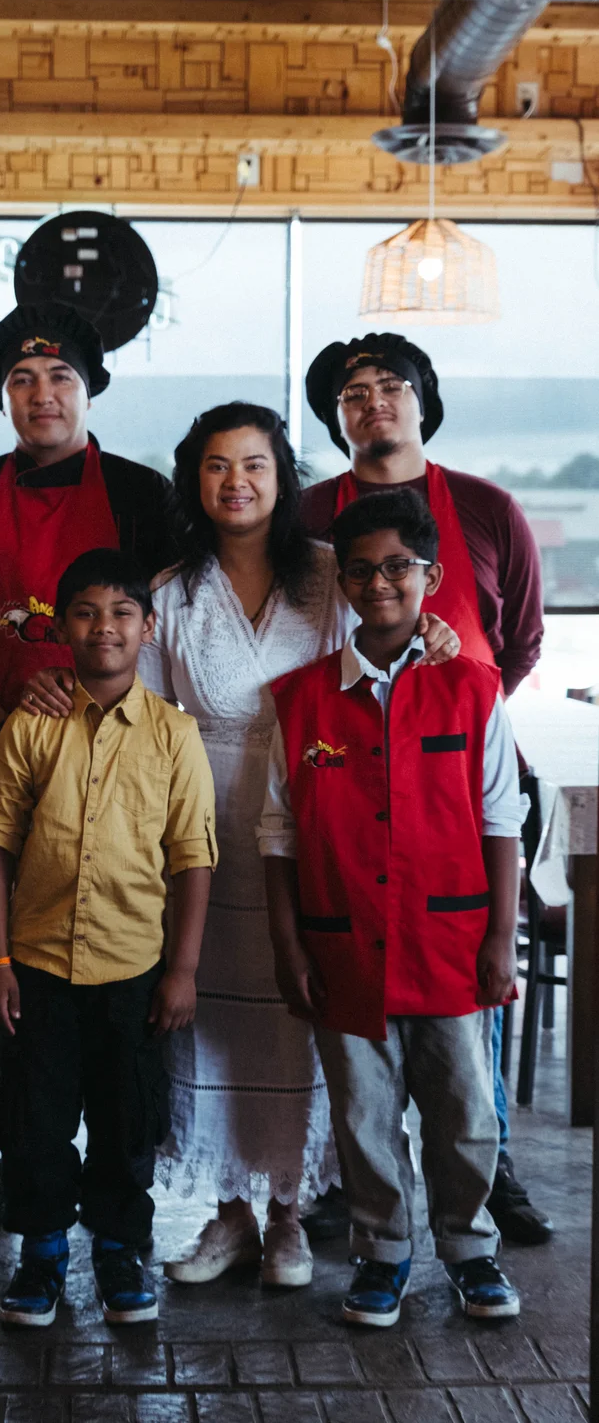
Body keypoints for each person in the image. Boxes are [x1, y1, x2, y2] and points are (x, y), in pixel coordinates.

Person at [25, 403, 459, 1289]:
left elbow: (389, 646)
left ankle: (290, 1215)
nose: (236, 483)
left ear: (281, 477)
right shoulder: (173, 591)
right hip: (198, 820)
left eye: (254, 465)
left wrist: (433, 635)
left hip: (321, 809)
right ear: (195, 480)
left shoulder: (335, 578)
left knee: (297, 1012)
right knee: (209, 1025)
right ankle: (226, 1215)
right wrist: (51, 681)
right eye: (217, 467)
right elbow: (128, 708)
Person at [0, 302, 178, 1257]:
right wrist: (8, 726)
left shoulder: (145, 495)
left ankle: (120, 1185)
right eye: (21, 381)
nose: (41, 395)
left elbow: (181, 623)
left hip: (121, 785)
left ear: (88, 387)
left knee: (115, 975)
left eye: (59, 377)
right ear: (1, 397)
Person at [301, 333, 550, 1246]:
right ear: (336, 417)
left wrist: (447, 715)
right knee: (350, 996)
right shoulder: (304, 517)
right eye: (352, 393)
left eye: (390, 387)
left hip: (458, 778)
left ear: (421, 401)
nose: (372, 403)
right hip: (340, 773)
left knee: (465, 987)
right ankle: (350, 1184)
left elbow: (517, 641)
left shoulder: (485, 508)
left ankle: (489, 1177)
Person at [262, 487, 525, 1327]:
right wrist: (289, 946)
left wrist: (499, 939)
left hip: (449, 939)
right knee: (363, 1113)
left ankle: (470, 1248)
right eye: (361, 570)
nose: (379, 583)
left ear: (430, 575)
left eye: (397, 568)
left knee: (462, 1110)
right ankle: (380, 1253)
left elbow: (498, 821)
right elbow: (278, 835)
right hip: (341, 942)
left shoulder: (474, 689)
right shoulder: (298, 699)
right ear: (339, 582)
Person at [0, 549, 216, 1326]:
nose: (102, 627)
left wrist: (180, 970)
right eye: (84, 612)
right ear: (61, 626)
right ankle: (41, 1254)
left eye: (120, 613)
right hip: (38, 964)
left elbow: (192, 856)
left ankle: (118, 1251)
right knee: (34, 1118)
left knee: (125, 1117)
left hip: (132, 967)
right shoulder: (32, 723)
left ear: (148, 627)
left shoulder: (175, 735)